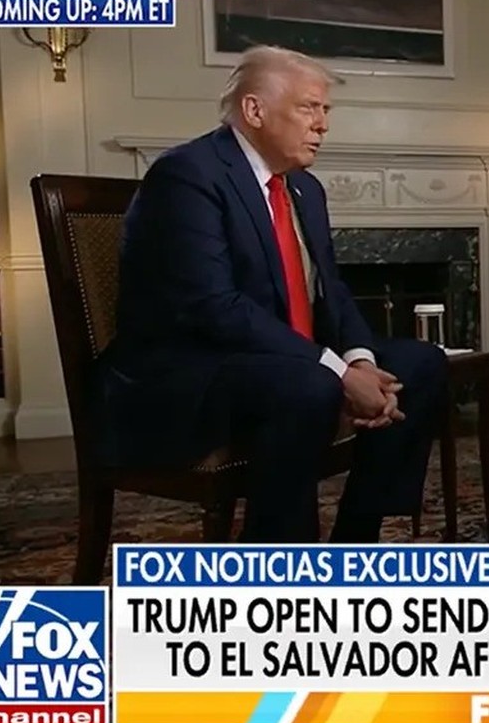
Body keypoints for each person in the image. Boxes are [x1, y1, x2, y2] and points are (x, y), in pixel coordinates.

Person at [97, 45, 449, 543]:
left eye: (325, 110)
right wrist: (338, 372)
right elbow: (215, 309)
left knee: (421, 364)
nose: (323, 124)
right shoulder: (187, 175)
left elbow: (330, 289)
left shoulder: (305, 188)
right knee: (311, 386)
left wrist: (361, 360)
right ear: (254, 110)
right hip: (190, 373)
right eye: (309, 108)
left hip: (276, 358)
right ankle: (279, 561)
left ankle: (355, 543)